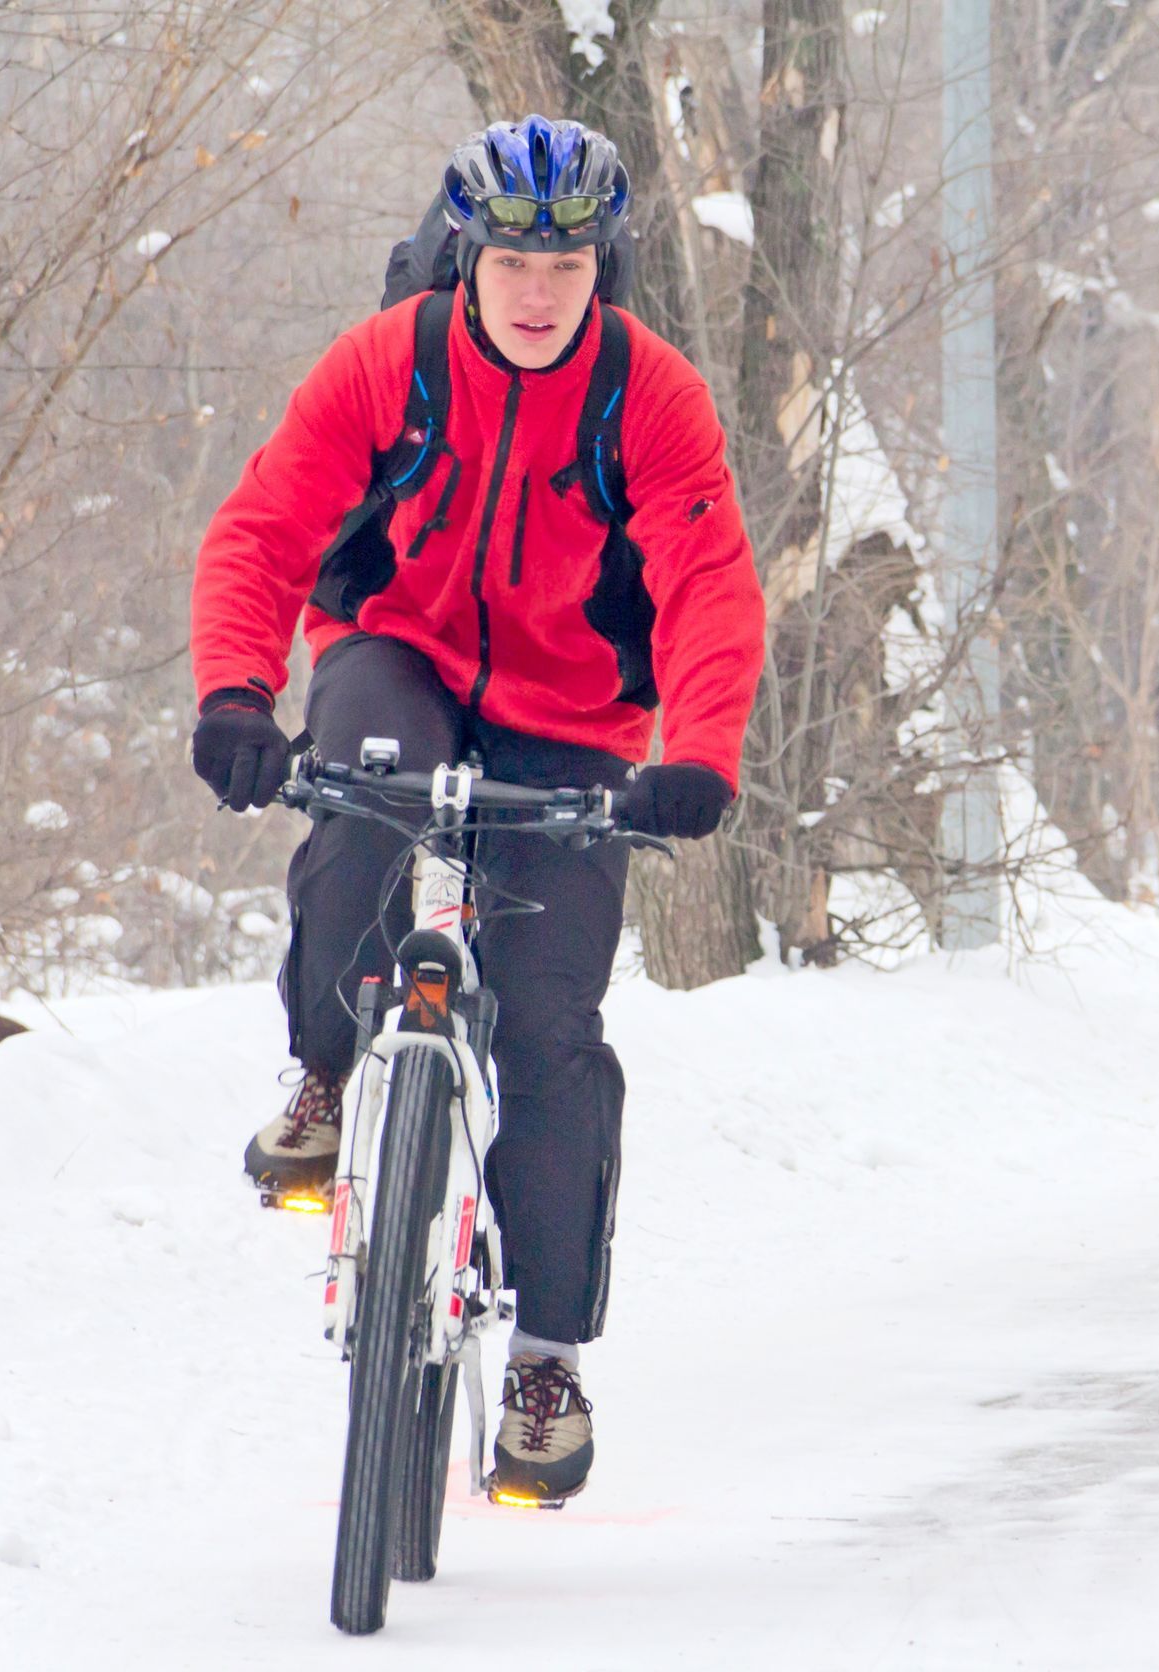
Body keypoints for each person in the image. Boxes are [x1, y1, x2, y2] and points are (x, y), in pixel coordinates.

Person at [186, 116, 766, 1499]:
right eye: (510, 257)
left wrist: (699, 751)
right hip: (404, 652)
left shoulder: (655, 398)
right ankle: (328, 1074)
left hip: (575, 726)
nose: (534, 290)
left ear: (601, 271)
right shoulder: (389, 364)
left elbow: (705, 583)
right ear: (464, 256)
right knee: (361, 823)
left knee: (555, 1031)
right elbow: (265, 530)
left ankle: (547, 1357)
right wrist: (232, 695)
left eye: (565, 266)